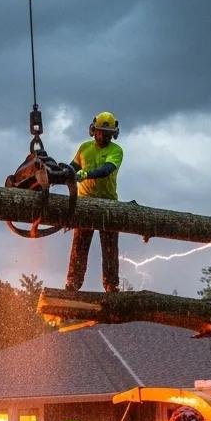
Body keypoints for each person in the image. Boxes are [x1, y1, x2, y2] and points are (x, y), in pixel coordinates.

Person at [65, 111, 124, 292]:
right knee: (80, 246)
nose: (103, 136)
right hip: (84, 203)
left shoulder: (116, 151)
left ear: (113, 134)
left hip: (108, 204)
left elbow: (107, 169)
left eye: (107, 133)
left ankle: (111, 285)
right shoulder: (84, 148)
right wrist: (62, 172)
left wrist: (87, 173)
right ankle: (73, 283)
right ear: (93, 130)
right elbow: (72, 168)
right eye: (99, 132)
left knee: (109, 249)